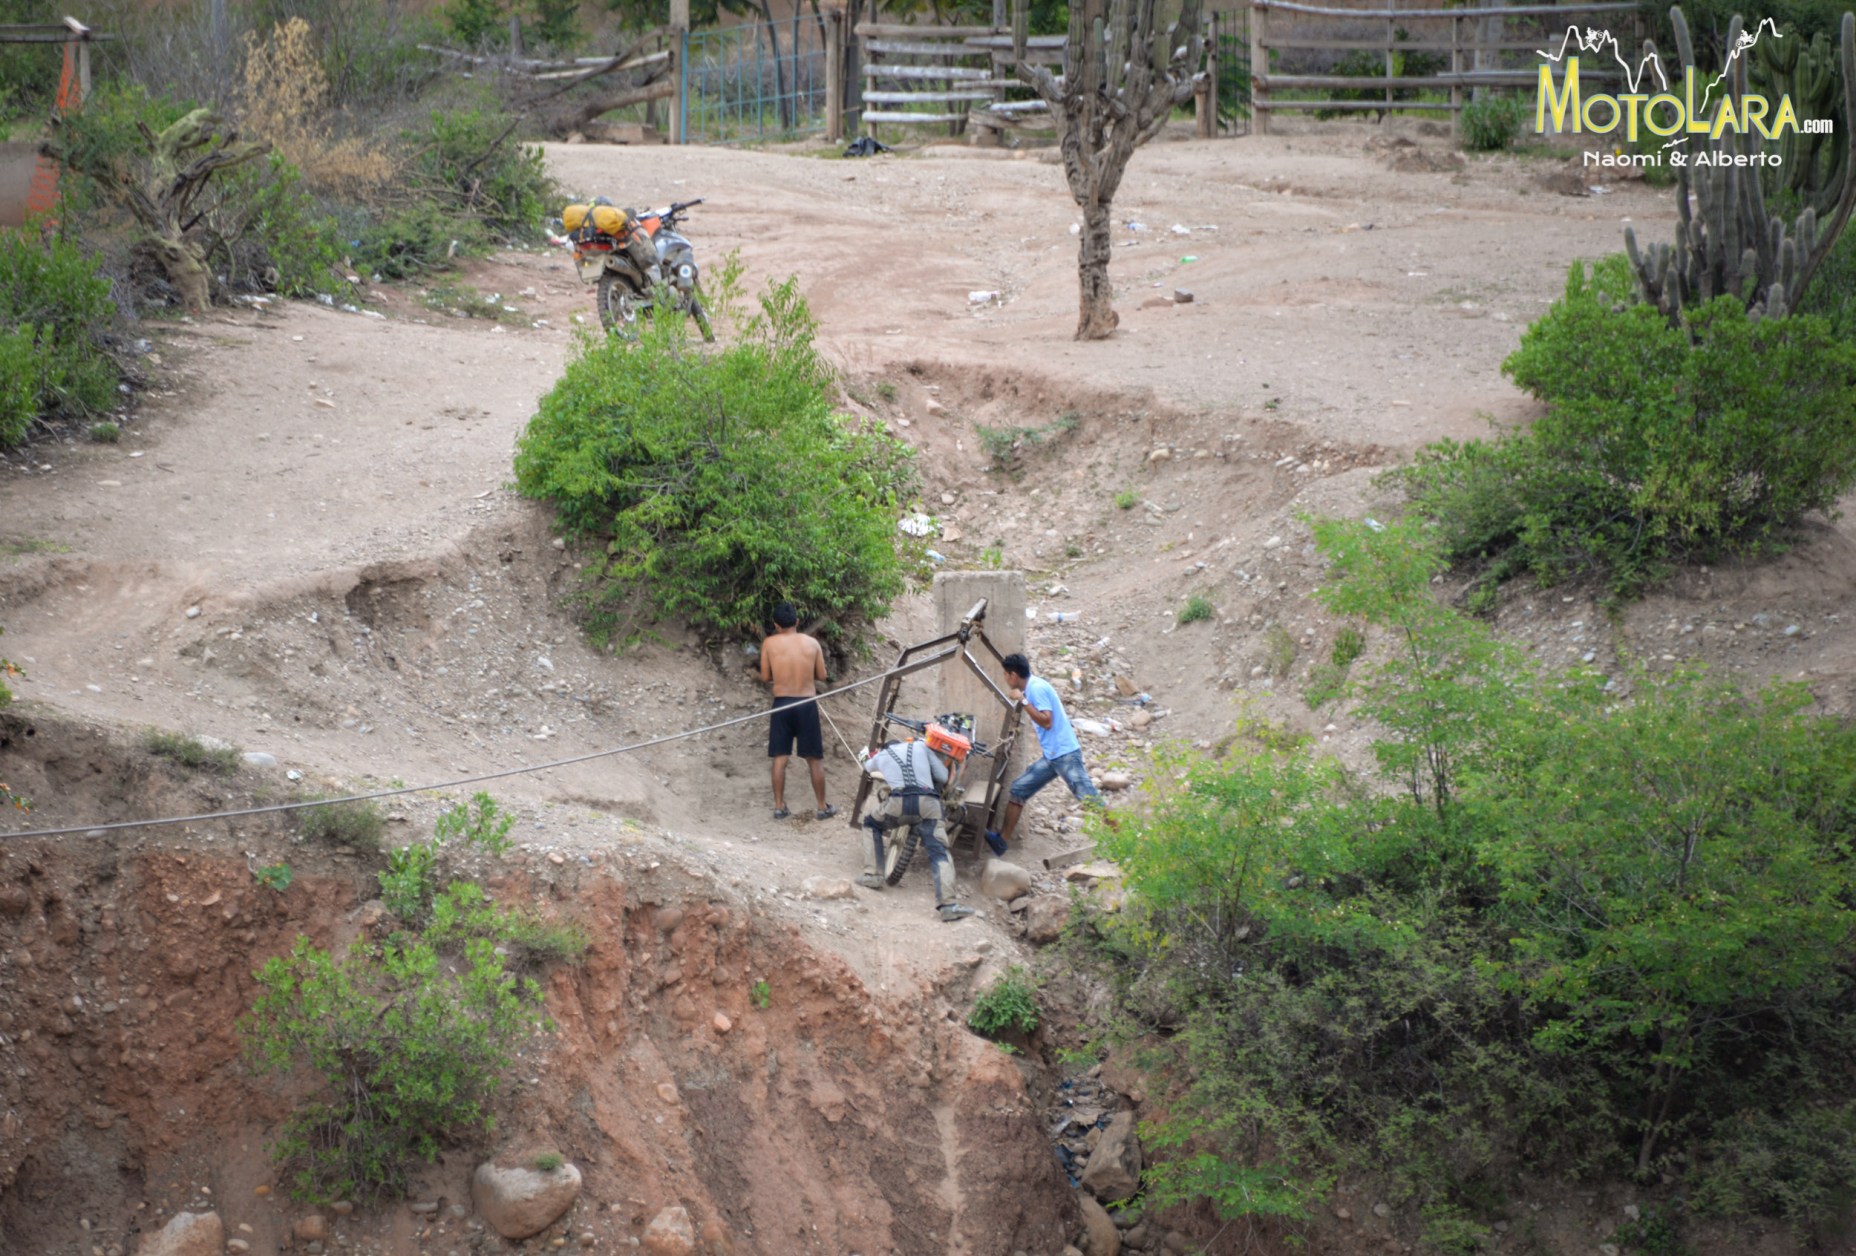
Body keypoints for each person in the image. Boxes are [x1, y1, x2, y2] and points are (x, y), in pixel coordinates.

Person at [987, 652, 1102, 853]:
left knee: (1089, 798)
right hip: (1052, 756)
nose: (1005, 679)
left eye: (1005, 675)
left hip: (1064, 754)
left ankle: (1122, 836)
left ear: (1013, 675)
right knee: (1018, 789)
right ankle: (1001, 842)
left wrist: (1023, 702)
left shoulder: (1036, 689)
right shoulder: (1032, 687)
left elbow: (1046, 721)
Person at [858, 737, 975, 922]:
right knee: (939, 851)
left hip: (899, 803)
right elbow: (943, 777)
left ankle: (873, 874)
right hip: (929, 805)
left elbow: (867, 766)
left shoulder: (883, 755)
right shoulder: (920, 746)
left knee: (871, 824)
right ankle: (948, 905)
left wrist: (864, 757)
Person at [760, 602, 835, 821]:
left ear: (776, 624)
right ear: (797, 622)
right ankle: (822, 807)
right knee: (814, 759)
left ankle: (778, 806)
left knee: (780, 758)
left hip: (782, 703)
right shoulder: (812, 643)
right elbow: (822, 675)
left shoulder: (769, 643)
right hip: (806, 703)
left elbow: (765, 677)